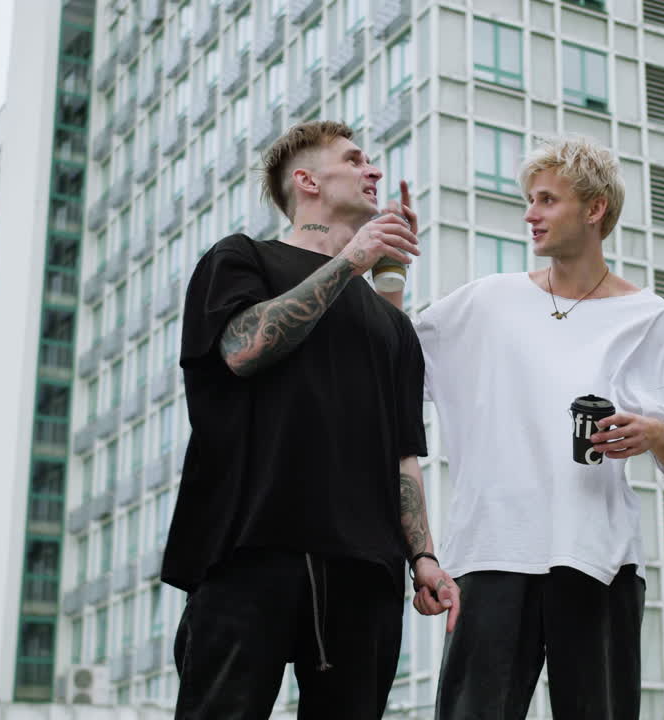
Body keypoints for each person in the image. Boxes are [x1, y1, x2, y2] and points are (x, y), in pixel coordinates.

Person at [161, 120, 459, 720]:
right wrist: (352, 260)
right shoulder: (241, 257)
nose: (373, 170)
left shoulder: (393, 325)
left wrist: (423, 557)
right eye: (354, 160)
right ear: (307, 181)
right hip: (251, 550)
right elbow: (243, 349)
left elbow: (403, 452)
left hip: (365, 570)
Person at [408, 136, 664, 719]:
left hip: (597, 556)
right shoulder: (488, 302)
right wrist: (389, 267)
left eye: (547, 199)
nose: (530, 213)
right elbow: (391, 356)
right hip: (492, 550)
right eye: (529, 199)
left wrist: (650, 432)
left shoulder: (647, 315)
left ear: (594, 208)